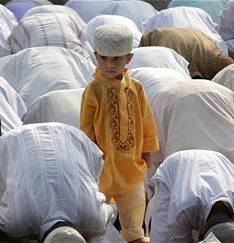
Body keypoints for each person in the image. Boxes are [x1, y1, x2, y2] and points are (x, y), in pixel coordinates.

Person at [80, 24, 159, 243]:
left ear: (129, 58)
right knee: (97, 215)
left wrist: (147, 152)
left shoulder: (136, 87)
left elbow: (146, 122)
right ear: (96, 56)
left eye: (116, 59)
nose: (109, 64)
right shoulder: (94, 89)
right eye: (103, 58)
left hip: (131, 164)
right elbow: (86, 128)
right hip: (103, 164)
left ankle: (134, 237)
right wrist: (90, 159)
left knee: (134, 212)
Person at [0, 123, 121, 242]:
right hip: (16, 140)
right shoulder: (16, 223)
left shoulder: (95, 220)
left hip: (71, 135)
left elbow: (112, 210)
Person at [150, 150, 234, 242]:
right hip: (178, 163)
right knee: (162, 238)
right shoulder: (185, 208)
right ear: (200, 234)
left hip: (219, 161)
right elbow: (177, 240)